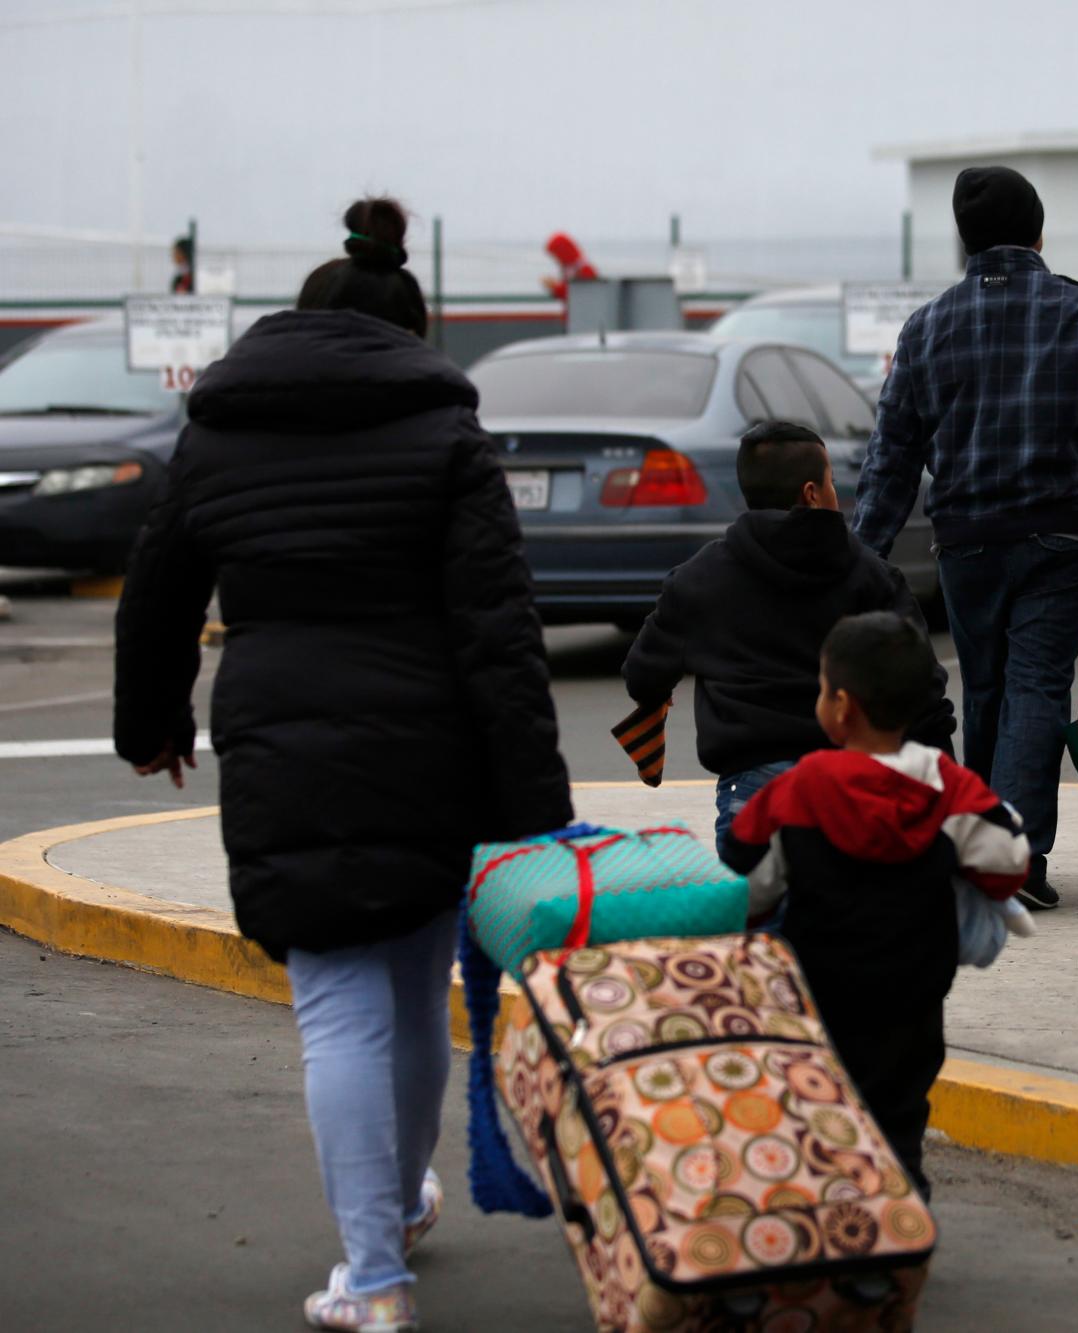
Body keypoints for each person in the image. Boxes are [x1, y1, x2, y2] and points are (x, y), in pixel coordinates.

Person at [113, 197, 573, 1332]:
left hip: (281, 738)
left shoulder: (216, 431)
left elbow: (155, 594)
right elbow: (498, 630)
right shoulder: (445, 433)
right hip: (432, 744)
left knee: (336, 1008)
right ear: (408, 330)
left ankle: (373, 1274)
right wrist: (535, 807)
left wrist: (151, 723)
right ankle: (401, 1206)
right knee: (418, 989)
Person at [851, 165, 1078, 911]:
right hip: (1058, 535)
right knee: (1035, 688)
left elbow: (891, 456)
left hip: (965, 540)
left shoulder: (926, 326)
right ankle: (1016, 862)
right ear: (1038, 232)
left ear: (965, 240)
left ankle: (980, 853)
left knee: (987, 685)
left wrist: (861, 554)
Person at [720, 612, 1030, 1196]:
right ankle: (902, 1210)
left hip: (823, 988)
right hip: (915, 991)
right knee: (900, 1107)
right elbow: (1008, 862)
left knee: (827, 1106)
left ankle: (838, 1216)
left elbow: (746, 882)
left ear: (841, 706)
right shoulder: (948, 784)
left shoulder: (799, 788)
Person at [622, 420, 955, 844]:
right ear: (812, 494)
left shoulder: (698, 578)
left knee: (765, 907)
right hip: (854, 788)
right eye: (831, 482)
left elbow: (642, 676)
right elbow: (923, 689)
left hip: (754, 796)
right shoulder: (871, 575)